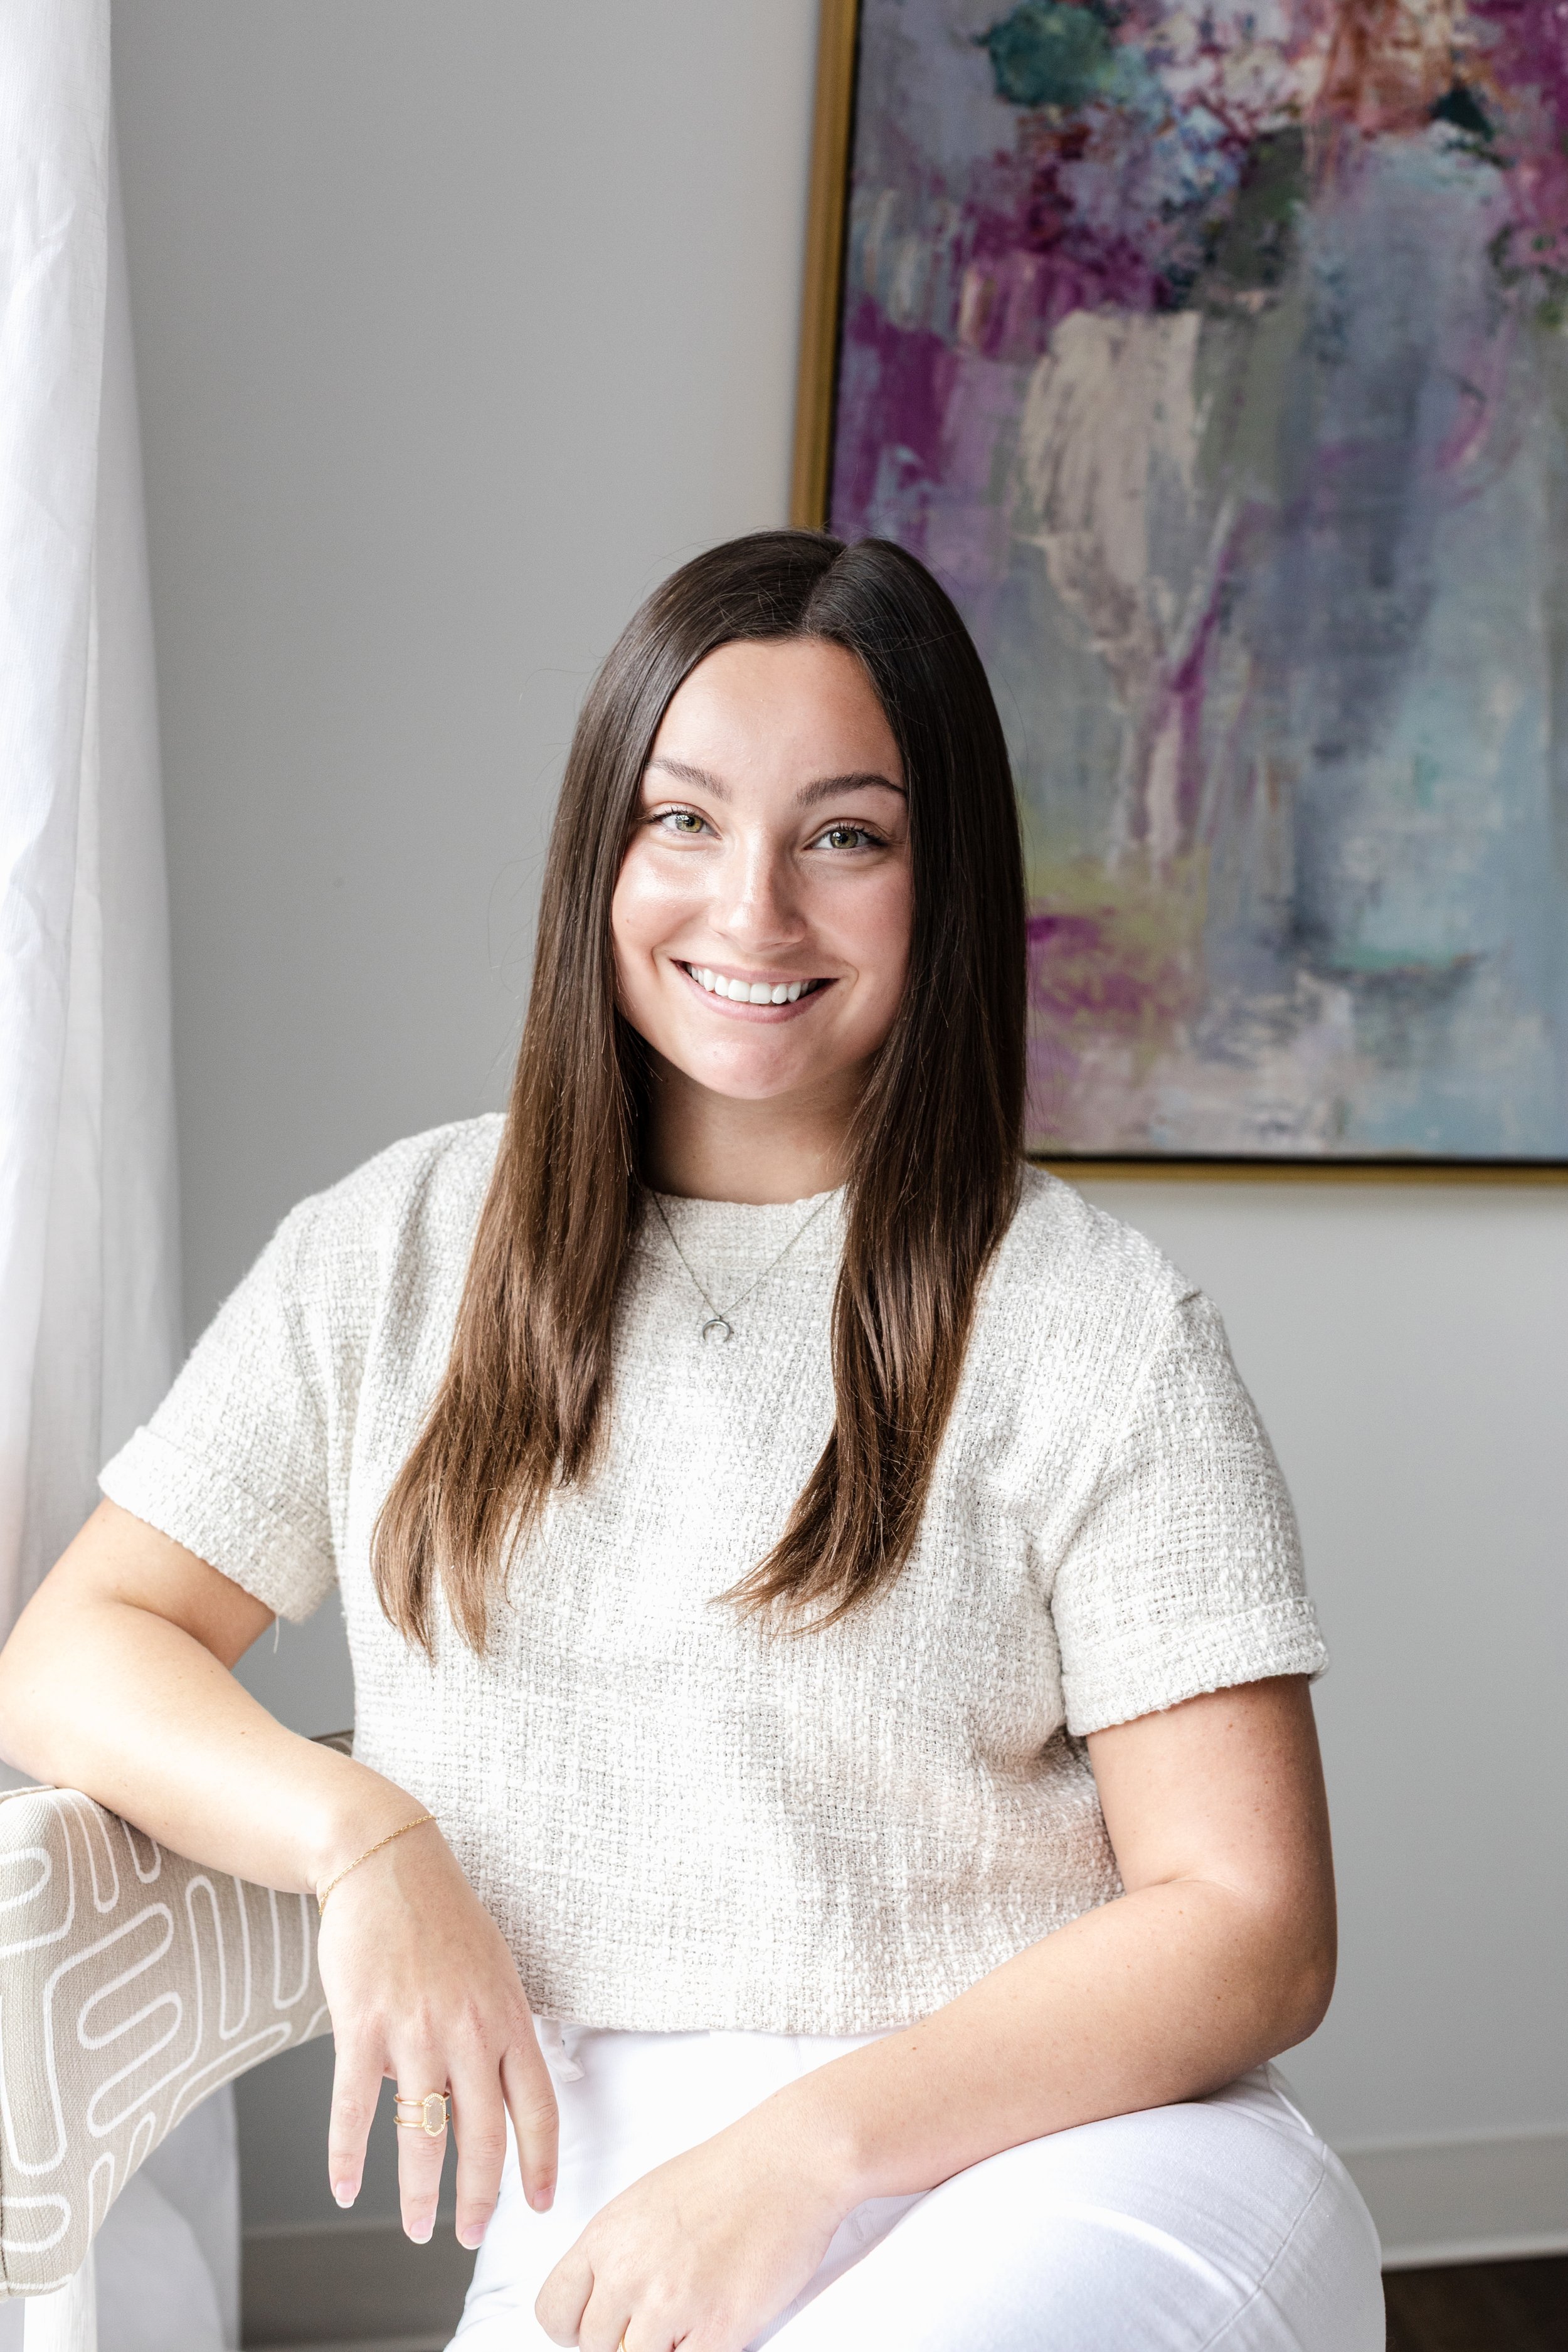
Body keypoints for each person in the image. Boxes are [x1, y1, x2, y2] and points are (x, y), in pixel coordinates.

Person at [0, 532, 1383, 2350]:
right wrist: (361, 1840)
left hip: (1063, 2154)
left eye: (846, 835)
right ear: (603, 851)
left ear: (938, 880)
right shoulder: (399, 1252)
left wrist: (803, 2156)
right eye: (685, 821)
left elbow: (1252, 1923)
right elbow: (78, 1651)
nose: (753, 914)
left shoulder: (1090, 1323)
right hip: (608, 2207)